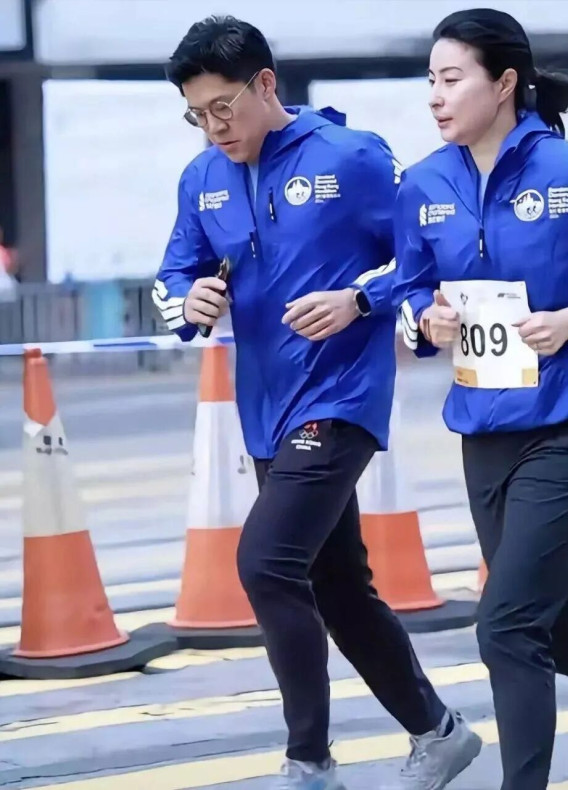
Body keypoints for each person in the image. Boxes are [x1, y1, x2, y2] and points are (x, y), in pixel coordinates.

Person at [153, 15, 481, 790]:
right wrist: (187, 300)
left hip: (341, 396)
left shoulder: (351, 156)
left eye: (224, 107)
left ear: (265, 83)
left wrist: (358, 301)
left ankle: (309, 762)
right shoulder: (202, 178)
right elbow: (173, 276)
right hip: (265, 407)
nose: (215, 127)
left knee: (266, 564)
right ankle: (439, 734)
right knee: (338, 590)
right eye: (197, 115)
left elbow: (425, 255)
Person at [392, 8, 568, 790]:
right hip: (484, 433)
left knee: (507, 626)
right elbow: (412, 291)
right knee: (563, 631)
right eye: (431, 81)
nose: (436, 97)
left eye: (452, 79)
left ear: (505, 82)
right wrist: (427, 320)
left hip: (567, 429)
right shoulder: (424, 183)